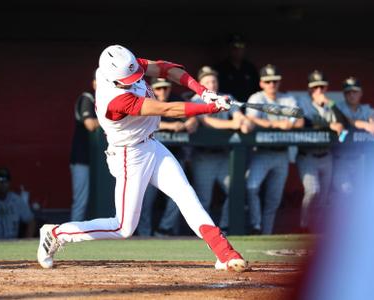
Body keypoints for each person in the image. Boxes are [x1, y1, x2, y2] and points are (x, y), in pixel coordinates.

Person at [37, 44, 247, 272]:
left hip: (152, 145)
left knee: (186, 195)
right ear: (112, 78)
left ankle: (224, 252)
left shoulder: (125, 66)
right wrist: (209, 108)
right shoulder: (114, 100)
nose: (136, 78)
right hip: (129, 155)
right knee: (123, 227)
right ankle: (56, 233)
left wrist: (203, 91)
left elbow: (166, 69)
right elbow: (167, 110)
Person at [245, 64, 304, 235]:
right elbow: (252, 119)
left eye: (275, 81)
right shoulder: (257, 98)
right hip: (261, 152)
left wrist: (290, 123)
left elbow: (300, 121)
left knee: (274, 198)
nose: (272, 84)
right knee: (251, 187)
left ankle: (266, 233)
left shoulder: (287, 99)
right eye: (268, 81)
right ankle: (255, 225)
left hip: (281, 154)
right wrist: (276, 124)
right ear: (262, 83)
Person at [191, 66, 251, 233]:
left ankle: (223, 227)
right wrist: (233, 125)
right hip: (203, 156)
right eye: (207, 81)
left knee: (235, 191)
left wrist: (243, 122)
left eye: (214, 80)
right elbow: (207, 123)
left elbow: (239, 116)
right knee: (204, 199)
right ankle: (205, 233)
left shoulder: (227, 97)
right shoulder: (196, 100)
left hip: (224, 156)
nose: (212, 84)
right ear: (200, 84)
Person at [137, 78, 197, 236]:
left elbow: (192, 116)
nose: (162, 91)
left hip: (174, 157)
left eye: (165, 88)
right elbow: (143, 122)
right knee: (145, 199)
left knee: (180, 195)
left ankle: (165, 229)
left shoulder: (176, 99)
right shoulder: (145, 98)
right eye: (159, 88)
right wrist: (171, 126)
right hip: (148, 157)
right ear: (153, 89)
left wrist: (191, 122)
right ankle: (144, 234)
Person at [296, 70, 349, 233]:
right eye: (315, 87)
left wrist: (331, 104)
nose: (318, 90)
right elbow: (304, 123)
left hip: (326, 155)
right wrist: (329, 126)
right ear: (310, 89)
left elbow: (343, 122)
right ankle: (304, 225)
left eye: (322, 87)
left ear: (326, 88)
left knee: (323, 197)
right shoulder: (302, 103)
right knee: (312, 191)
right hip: (308, 154)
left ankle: (316, 230)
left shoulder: (330, 105)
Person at [332, 77, 374, 201]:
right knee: (344, 193)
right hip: (340, 158)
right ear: (344, 94)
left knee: (360, 197)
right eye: (348, 92)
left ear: (361, 93)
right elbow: (349, 122)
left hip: (359, 159)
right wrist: (367, 125)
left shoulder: (365, 109)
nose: (351, 95)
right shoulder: (338, 107)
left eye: (355, 91)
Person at [70, 80, 99, 221]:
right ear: (94, 83)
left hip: (100, 162)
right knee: (81, 201)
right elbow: (90, 125)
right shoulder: (87, 98)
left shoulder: (105, 101)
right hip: (82, 158)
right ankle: (70, 235)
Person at [0, 168, 35, 239]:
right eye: (0, 181)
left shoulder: (16, 200)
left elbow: (31, 221)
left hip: (14, 243)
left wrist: (27, 240)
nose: (3, 184)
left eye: (5, 181)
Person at [213, 33, 260, 103]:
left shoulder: (250, 68)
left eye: (241, 46)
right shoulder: (220, 68)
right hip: (227, 106)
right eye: (234, 46)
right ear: (228, 48)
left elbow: (257, 89)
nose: (237, 50)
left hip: (249, 107)